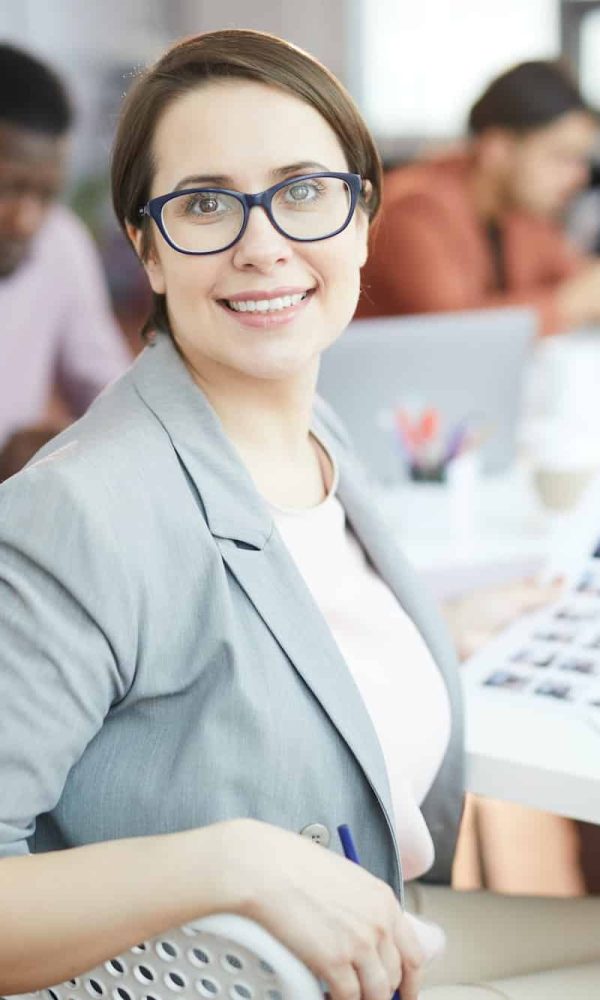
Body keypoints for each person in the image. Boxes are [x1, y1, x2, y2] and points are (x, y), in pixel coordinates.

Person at [0, 32, 599, 1000]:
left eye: (304, 190)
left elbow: (253, 639)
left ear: (363, 217)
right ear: (147, 250)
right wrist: (231, 862)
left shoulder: (309, 430)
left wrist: (432, 628)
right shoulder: (75, 515)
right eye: (203, 204)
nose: (264, 243)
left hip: (378, 925)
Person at [358, 60, 600, 336]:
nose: (580, 175)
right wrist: (570, 305)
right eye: (561, 157)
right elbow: (455, 333)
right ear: (498, 149)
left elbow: (576, 276)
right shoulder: (413, 212)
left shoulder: (523, 211)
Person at [0, 43, 130, 448]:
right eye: (8, 189)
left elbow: (114, 400)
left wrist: (58, 449)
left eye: (46, 194)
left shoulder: (60, 243)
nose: (27, 220)